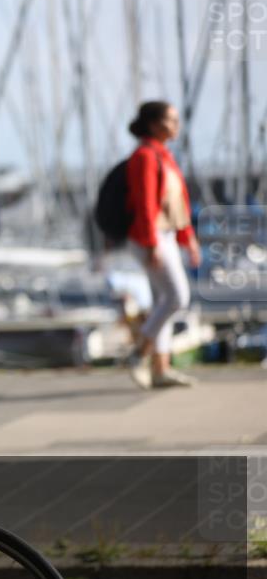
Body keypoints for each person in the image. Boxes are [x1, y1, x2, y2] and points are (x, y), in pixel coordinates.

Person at [123, 101, 201, 389]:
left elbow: (178, 201)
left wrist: (187, 238)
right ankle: (139, 351)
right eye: (172, 120)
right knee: (178, 297)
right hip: (151, 237)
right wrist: (152, 243)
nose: (176, 126)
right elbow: (145, 204)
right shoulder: (144, 156)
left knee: (163, 302)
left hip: (165, 235)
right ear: (155, 124)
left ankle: (160, 369)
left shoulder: (163, 155)